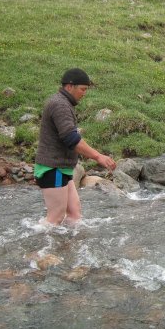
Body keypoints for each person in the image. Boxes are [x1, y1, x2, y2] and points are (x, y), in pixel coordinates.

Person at [35, 68, 116, 225]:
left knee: (74, 214)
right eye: (82, 89)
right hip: (52, 168)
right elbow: (71, 138)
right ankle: (41, 248)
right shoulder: (60, 105)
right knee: (55, 218)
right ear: (69, 86)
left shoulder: (63, 103)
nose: (84, 93)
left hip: (62, 168)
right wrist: (98, 156)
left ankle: (69, 247)